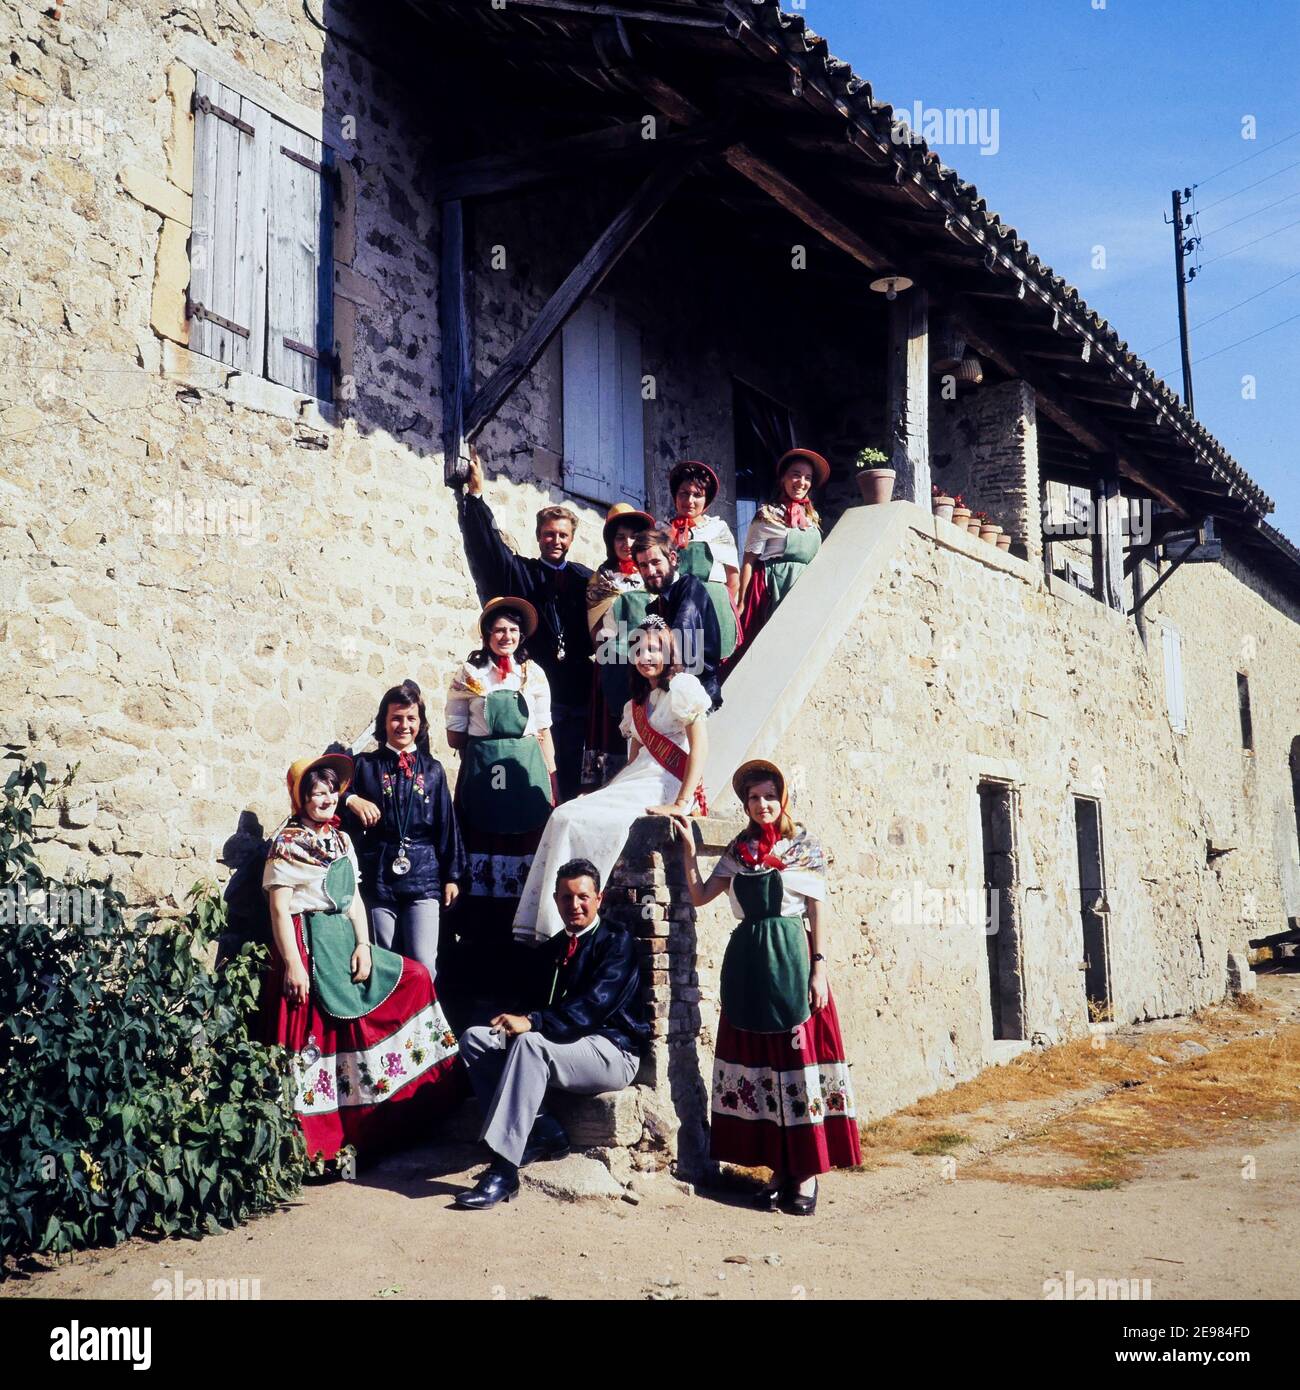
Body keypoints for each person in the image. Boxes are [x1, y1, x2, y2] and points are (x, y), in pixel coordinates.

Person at [673, 759, 860, 1215]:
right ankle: (779, 1168)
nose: (763, 805)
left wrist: (819, 966)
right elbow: (700, 896)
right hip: (750, 964)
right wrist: (687, 852)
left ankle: (808, 1172)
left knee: (798, 1063)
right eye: (754, 797)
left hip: (793, 960)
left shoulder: (804, 845)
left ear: (783, 797)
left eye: (769, 796)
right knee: (762, 1065)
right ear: (745, 803)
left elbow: (816, 910)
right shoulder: (739, 850)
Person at [262, 754, 462, 1164]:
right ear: (301, 800)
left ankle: (396, 1116)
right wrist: (294, 965)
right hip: (309, 945)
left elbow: (353, 900)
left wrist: (364, 946)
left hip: (343, 940)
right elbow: (281, 910)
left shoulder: (341, 841)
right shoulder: (287, 845)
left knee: (416, 976)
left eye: (330, 794)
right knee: (319, 1032)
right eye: (315, 795)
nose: (325, 801)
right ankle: (319, 1141)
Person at [454, 858, 649, 1209]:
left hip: (611, 1049)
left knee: (529, 1043)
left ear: (599, 898)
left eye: (583, 897)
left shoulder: (615, 942)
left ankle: (504, 1167)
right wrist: (514, 1019)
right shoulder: (553, 948)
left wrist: (534, 1023)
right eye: (566, 898)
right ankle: (543, 1131)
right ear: (556, 901)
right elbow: (529, 1004)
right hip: (563, 1043)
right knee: (476, 1039)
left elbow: (593, 1006)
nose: (574, 905)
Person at [513, 616, 710, 945]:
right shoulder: (636, 705)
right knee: (565, 815)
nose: (646, 657)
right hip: (639, 780)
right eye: (639, 650)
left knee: (576, 817)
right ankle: (552, 921)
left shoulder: (683, 688)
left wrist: (680, 802)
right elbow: (633, 763)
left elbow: (700, 747)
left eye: (654, 649)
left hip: (668, 783)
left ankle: (573, 915)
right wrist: (602, 795)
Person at [457, 444, 593, 802]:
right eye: (549, 534)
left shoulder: (585, 580)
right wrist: (477, 494)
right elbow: (491, 551)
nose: (556, 541)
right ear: (538, 536)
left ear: (572, 540)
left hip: (578, 689)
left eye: (563, 535)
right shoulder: (523, 573)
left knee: (574, 768)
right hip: (538, 687)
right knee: (537, 768)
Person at [444, 597, 556, 1023]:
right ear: (486, 635)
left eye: (512, 631)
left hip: (525, 784)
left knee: (522, 887)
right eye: (498, 631)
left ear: (520, 636)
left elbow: (543, 730)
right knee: (482, 887)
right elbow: (455, 736)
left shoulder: (535, 675)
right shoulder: (470, 676)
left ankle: (522, 985)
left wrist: (550, 783)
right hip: (483, 783)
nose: (505, 637)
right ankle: (478, 986)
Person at [341, 681, 466, 987]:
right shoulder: (364, 766)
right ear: (384, 721)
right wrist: (351, 799)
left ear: (421, 723)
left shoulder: (433, 770)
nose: (403, 725)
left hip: (424, 877)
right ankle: (386, 1031)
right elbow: (327, 795)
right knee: (381, 958)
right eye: (396, 717)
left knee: (423, 965)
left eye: (411, 718)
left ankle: (424, 1034)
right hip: (379, 875)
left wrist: (452, 876)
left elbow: (446, 824)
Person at [583, 502, 655, 788]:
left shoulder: (652, 576)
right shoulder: (600, 581)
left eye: (634, 537)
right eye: (620, 537)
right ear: (610, 542)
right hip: (614, 665)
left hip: (651, 665)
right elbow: (597, 634)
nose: (627, 543)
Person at [734, 448, 829, 660]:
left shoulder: (812, 518)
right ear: (783, 478)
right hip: (774, 585)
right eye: (796, 474)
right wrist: (742, 600)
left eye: (808, 478)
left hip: (804, 586)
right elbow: (749, 560)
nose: (801, 482)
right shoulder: (767, 515)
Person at [632, 528, 723, 711]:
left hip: (698, 695)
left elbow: (681, 637)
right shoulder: (654, 606)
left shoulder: (690, 589)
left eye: (655, 562)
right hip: (670, 693)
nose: (650, 571)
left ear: (672, 558)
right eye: (643, 565)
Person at [662, 460, 741, 662]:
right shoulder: (661, 531)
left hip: (713, 605)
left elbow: (733, 578)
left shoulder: (718, 530)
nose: (689, 500)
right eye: (684, 493)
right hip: (676, 607)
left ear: (706, 500)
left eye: (697, 495)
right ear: (674, 496)